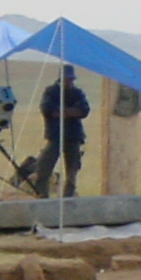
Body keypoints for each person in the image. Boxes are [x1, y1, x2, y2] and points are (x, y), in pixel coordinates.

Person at [33, 65, 90, 198]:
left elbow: (84, 110)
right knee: (44, 166)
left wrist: (62, 112)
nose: (69, 81)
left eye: (71, 79)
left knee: (72, 170)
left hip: (73, 136)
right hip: (55, 135)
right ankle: (42, 195)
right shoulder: (51, 91)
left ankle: (68, 196)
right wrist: (70, 112)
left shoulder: (77, 92)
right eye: (67, 78)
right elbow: (47, 109)